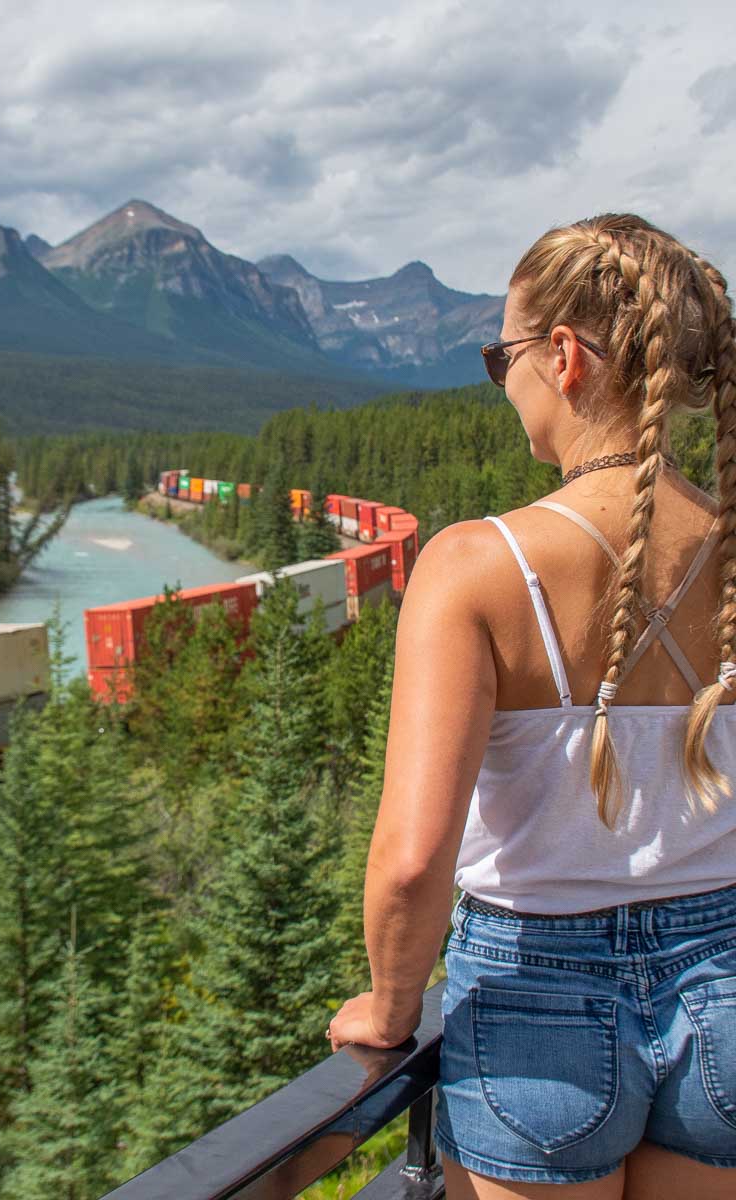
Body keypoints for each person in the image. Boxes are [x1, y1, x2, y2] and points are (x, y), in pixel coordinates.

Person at [327, 214, 736, 1199]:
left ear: (562, 356)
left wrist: (390, 1010)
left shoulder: (477, 566)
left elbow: (413, 859)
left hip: (535, 1004)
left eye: (498, 358)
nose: (502, 381)